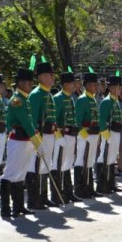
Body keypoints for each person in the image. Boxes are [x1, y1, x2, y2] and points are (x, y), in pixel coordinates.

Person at [1, 68, 43, 217]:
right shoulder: (17, 100)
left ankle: (18, 206)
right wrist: (37, 141)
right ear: (20, 83)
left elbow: (30, 122)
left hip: (25, 140)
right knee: (11, 172)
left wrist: (35, 140)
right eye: (28, 82)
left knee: (21, 173)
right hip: (17, 140)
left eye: (31, 82)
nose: (31, 84)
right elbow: (25, 122)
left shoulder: (25, 99)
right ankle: (5, 207)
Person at [28, 61, 61, 208]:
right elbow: (33, 119)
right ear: (40, 77)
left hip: (49, 135)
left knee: (45, 166)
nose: (51, 78)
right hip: (40, 136)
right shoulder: (36, 95)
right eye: (48, 75)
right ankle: (34, 199)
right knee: (36, 166)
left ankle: (43, 196)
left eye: (52, 75)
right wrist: (37, 141)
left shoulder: (48, 94)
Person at [53, 71, 81, 203]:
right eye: (72, 83)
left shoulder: (70, 98)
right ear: (65, 84)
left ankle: (68, 192)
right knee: (58, 164)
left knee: (68, 163)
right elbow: (54, 120)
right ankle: (57, 194)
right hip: (62, 135)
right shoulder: (58, 98)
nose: (74, 85)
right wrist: (59, 137)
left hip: (71, 135)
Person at [74, 71, 101, 199]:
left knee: (90, 161)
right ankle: (80, 189)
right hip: (85, 135)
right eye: (93, 85)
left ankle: (89, 188)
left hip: (93, 134)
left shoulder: (93, 99)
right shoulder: (82, 99)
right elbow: (77, 121)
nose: (96, 87)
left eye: (96, 85)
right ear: (86, 86)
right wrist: (85, 135)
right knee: (81, 160)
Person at [98, 74, 122, 193]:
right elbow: (102, 119)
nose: (120, 89)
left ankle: (111, 183)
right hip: (108, 133)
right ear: (112, 88)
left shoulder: (115, 101)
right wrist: (106, 135)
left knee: (112, 157)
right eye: (118, 87)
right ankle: (103, 185)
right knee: (105, 157)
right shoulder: (106, 101)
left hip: (116, 132)